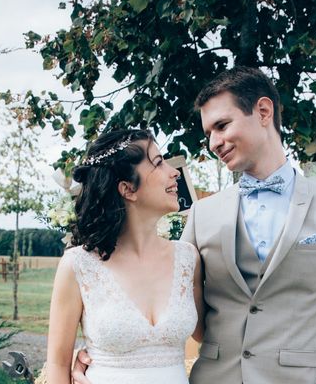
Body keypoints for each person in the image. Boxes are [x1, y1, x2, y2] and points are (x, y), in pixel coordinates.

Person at [73, 67, 316, 384]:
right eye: (208, 133)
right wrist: (103, 356)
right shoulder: (202, 214)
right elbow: (163, 301)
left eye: (222, 126)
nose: (214, 143)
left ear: (263, 111)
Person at [46, 129, 204, 384]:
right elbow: (57, 364)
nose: (173, 171)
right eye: (158, 162)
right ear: (128, 189)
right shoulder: (78, 265)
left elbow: (211, 333)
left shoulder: (188, 258)